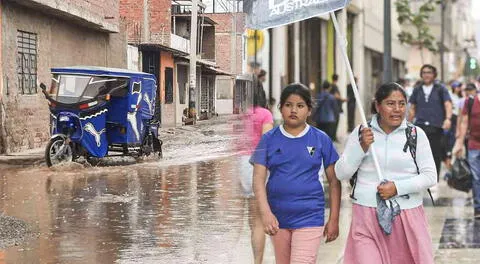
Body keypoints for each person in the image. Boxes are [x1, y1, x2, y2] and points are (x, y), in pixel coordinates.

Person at [336, 82, 436, 264]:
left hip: (407, 217)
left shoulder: (415, 134)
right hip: (366, 217)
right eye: (390, 103)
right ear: (377, 106)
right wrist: (361, 147)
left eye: (402, 103)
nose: (397, 109)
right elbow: (341, 173)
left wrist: (397, 188)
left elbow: (430, 176)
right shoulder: (361, 132)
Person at [251, 83, 341, 264]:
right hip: (277, 218)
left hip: (310, 216)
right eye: (288, 105)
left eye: (300, 106)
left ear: (309, 110)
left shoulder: (321, 139)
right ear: (280, 108)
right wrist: (266, 213)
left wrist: (334, 219)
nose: (294, 110)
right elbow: (258, 180)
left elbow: (334, 182)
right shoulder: (269, 139)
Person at [238, 88, 274, 264]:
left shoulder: (240, 115)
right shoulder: (264, 114)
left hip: (241, 164)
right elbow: (267, 142)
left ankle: (255, 259)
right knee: (262, 219)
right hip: (257, 164)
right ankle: (258, 261)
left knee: (252, 220)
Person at [408, 64, 453, 180]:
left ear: (434, 75)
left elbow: (448, 104)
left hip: (436, 126)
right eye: (424, 72)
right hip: (420, 125)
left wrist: (448, 119)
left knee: (435, 153)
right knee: (419, 153)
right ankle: (421, 178)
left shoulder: (440, 88)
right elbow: (412, 107)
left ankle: (434, 179)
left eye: (429, 72)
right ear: (421, 75)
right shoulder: (417, 89)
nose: (426, 75)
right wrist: (408, 122)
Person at [453, 83, 480, 218]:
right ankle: (478, 208)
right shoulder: (470, 102)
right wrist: (459, 143)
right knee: (476, 177)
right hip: (474, 144)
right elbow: (464, 122)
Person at [330, 74, 347, 141]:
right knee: (335, 122)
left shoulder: (332, 86)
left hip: (335, 107)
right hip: (335, 108)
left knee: (335, 122)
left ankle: (333, 136)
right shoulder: (334, 86)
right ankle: (333, 137)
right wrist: (342, 99)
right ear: (337, 79)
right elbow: (335, 95)